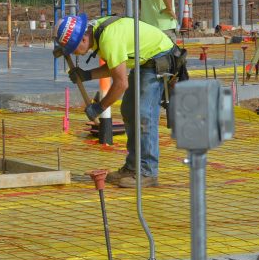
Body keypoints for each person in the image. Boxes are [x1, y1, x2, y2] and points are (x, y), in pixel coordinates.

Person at [56, 14, 185, 188]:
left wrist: (99, 107)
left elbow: (121, 83)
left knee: (143, 115)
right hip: (143, 61)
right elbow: (116, 65)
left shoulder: (109, 38)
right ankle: (132, 168)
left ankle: (148, 172)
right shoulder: (98, 33)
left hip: (158, 59)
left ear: (84, 38)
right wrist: (88, 75)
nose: (73, 53)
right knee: (129, 110)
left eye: (73, 49)